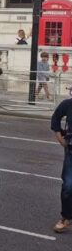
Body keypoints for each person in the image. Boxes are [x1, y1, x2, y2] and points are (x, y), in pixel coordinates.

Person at [50, 93, 72, 233]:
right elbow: (56, 117)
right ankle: (66, 218)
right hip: (71, 151)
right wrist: (59, 137)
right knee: (68, 186)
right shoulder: (68, 104)